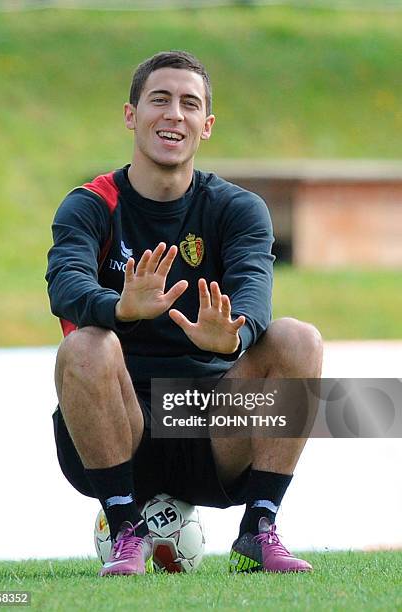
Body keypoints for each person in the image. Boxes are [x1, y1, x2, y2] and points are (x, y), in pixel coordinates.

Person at [46, 50, 323, 577]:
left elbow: (255, 295)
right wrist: (118, 307)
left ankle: (260, 527)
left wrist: (232, 340)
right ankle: (127, 530)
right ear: (132, 115)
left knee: (298, 338)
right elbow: (66, 286)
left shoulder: (237, 208)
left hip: (206, 420)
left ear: (206, 125)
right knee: (86, 343)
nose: (174, 114)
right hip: (117, 421)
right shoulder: (89, 204)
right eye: (160, 100)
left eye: (189, 104)